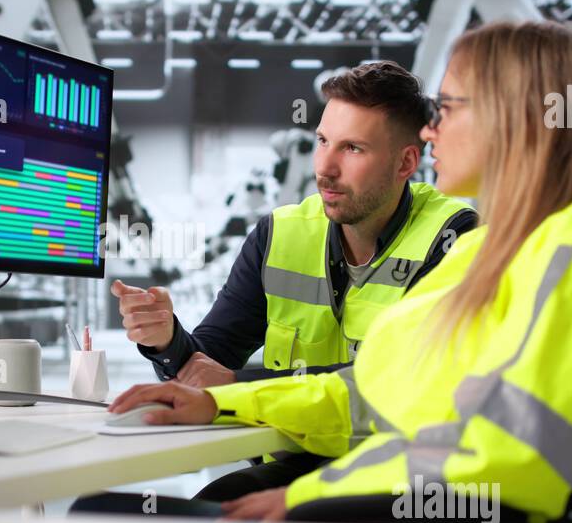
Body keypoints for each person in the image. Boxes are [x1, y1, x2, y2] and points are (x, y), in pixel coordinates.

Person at [103, 20, 572, 523]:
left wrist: (311, 496)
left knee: (109, 514)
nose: (434, 132)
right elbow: (370, 395)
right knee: (126, 511)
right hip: (398, 498)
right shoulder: (497, 247)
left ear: (508, 116)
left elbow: (518, 449)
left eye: (451, 109)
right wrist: (222, 401)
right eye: (323, 141)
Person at [105, 62, 476, 499]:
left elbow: (396, 383)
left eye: (352, 149)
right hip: (296, 458)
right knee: (141, 508)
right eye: (323, 141)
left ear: (405, 163)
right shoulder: (278, 234)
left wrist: (239, 385)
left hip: (398, 477)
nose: (326, 167)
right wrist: (167, 340)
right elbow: (208, 362)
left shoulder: (451, 238)